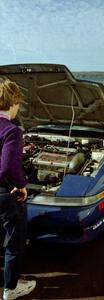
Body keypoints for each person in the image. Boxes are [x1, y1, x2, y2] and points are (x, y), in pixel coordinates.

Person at [0, 79, 36, 300]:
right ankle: (10, 289)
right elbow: (7, 168)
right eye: (18, 104)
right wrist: (21, 185)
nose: (18, 108)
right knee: (15, 242)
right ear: (12, 102)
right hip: (5, 194)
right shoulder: (12, 130)